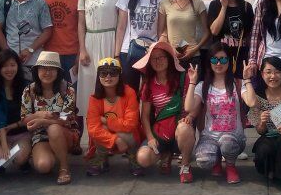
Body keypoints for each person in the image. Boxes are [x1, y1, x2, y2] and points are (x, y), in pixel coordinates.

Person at [134, 41, 196, 182]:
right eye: (154, 58)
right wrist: (150, 138)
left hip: (180, 130)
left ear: (169, 58)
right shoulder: (149, 84)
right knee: (143, 158)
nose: (158, 61)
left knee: (184, 129)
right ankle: (165, 154)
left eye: (161, 57)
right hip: (160, 132)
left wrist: (190, 117)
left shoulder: (183, 78)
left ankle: (185, 165)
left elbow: (193, 105)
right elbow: (144, 116)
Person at [185, 42, 246, 184]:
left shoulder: (238, 83)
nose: (218, 63)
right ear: (209, 62)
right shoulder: (203, 85)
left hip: (233, 137)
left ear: (229, 61)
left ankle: (230, 166)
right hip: (210, 136)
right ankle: (216, 159)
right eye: (214, 59)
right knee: (204, 160)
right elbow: (188, 107)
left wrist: (247, 79)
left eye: (223, 59)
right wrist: (192, 82)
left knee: (227, 143)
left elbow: (252, 102)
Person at [242, 56, 281, 184]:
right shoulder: (258, 97)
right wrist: (262, 122)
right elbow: (260, 131)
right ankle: (272, 170)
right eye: (268, 72)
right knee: (264, 150)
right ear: (262, 74)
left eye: (277, 72)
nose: (273, 76)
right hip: (269, 137)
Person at [77, 0, 124, 118]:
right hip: (90, 42)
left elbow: (121, 25)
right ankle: (90, 125)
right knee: (89, 81)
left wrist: (117, 52)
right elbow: (81, 24)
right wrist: (82, 50)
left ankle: (111, 121)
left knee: (110, 81)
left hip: (110, 40)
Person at [21, 51, 79, 184]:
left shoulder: (67, 89)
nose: (47, 72)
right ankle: (53, 152)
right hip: (41, 135)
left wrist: (42, 121)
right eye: (43, 68)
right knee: (43, 166)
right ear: (36, 70)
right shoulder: (29, 90)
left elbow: (66, 118)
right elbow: (24, 118)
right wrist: (38, 115)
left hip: (65, 132)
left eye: (52, 69)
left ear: (58, 71)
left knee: (53, 129)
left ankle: (64, 167)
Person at [86, 57, 144, 176]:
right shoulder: (94, 98)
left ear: (120, 75)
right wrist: (115, 140)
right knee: (100, 130)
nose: (108, 77)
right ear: (98, 76)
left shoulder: (129, 93)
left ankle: (133, 157)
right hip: (113, 137)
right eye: (103, 73)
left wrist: (105, 120)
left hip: (127, 136)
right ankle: (102, 158)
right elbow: (93, 129)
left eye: (113, 72)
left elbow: (131, 124)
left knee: (127, 133)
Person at [114, 0, 167, 92]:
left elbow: (162, 29)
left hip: (152, 52)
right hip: (128, 51)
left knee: (151, 90)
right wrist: (116, 55)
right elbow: (121, 28)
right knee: (129, 90)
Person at [0, 49, 32, 173]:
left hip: (22, 132)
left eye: (12, 65)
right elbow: (0, 119)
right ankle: (2, 161)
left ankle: (24, 161)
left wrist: (13, 126)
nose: (9, 69)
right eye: (5, 66)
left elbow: (29, 115)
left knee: (20, 157)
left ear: (18, 66)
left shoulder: (26, 86)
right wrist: (4, 146)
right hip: (2, 134)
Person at [158, 0, 209, 66]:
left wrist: (195, 49)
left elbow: (207, 32)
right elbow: (160, 31)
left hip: (193, 56)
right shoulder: (165, 3)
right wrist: (170, 49)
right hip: (171, 56)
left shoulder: (198, 3)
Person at [39, 0, 81, 78]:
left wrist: (80, 54)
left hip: (72, 53)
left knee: (71, 88)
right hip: (49, 53)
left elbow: (83, 26)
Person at [207, 0, 254, 73]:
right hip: (220, 58)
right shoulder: (215, 5)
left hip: (241, 56)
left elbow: (250, 35)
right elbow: (214, 31)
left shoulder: (247, 7)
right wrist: (224, 7)